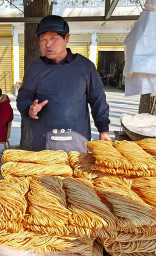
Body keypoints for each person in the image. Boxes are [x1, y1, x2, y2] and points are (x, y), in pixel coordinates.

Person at [16, 15, 111, 153]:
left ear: (66, 38)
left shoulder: (85, 67)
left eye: (53, 38)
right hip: (44, 144)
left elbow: (98, 99)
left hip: (77, 144)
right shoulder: (36, 68)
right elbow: (24, 96)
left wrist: (103, 130)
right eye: (43, 39)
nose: (47, 44)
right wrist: (28, 109)